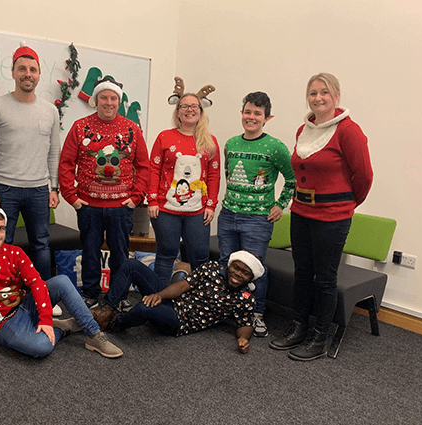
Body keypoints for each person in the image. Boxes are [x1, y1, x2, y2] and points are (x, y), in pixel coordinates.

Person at [269, 73, 373, 361]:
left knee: (325, 278)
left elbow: (363, 175)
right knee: (302, 273)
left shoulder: (348, 131)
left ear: (336, 96)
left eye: (324, 92)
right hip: (301, 212)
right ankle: (299, 328)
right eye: (312, 93)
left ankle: (320, 337)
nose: (318, 98)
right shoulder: (305, 129)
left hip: (332, 217)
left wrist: (346, 205)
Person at [0, 206, 123, 359]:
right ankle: (62, 328)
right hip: (1, 324)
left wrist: (45, 318)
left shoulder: (14, 253)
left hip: (24, 305)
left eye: (0, 228)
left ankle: (94, 335)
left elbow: (37, 284)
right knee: (41, 347)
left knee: (62, 281)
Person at [59, 76, 150, 307]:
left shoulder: (132, 129)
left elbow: (143, 166)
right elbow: (66, 163)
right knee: (90, 251)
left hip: (121, 207)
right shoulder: (80, 127)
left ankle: (118, 296)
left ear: (118, 102)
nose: (108, 102)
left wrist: (136, 197)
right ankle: (90, 294)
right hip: (89, 206)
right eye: (103, 98)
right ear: (96, 100)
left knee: (120, 253)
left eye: (113, 98)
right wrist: (72, 197)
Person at [217, 92, 296, 338]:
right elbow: (229, 175)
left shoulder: (275, 148)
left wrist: (281, 204)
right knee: (226, 263)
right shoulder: (230, 144)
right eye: (248, 112)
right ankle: (228, 308)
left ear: (267, 118)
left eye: (257, 114)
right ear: (242, 113)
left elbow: (292, 178)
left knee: (255, 268)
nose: (251, 117)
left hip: (257, 219)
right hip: (228, 214)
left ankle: (256, 314)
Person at [0, 45, 60, 281]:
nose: (28, 74)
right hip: (4, 188)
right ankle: (2, 295)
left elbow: (53, 151)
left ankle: (44, 296)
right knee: (2, 244)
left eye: (33, 69)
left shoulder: (50, 110)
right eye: (22, 68)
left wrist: (53, 187)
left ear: (38, 75)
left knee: (41, 245)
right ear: (13, 72)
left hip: (38, 190)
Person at [90, 251, 264, 354]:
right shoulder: (212, 268)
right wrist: (160, 295)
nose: (238, 274)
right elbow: (182, 285)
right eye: (236, 268)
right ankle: (107, 309)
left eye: (245, 273)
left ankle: (114, 324)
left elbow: (245, 323)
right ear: (231, 264)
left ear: (251, 277)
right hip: (174, 298)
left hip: (180, 320)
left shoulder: (245, 298)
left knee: (144, 307)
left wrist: (243, 338)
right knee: (130, 264)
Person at [147, 79, 220, 289]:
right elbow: (154, 169)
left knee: (199, 257)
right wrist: (151, 199)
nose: (189, 110)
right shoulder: (165, 137)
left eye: (194, 106)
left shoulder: (209, 141)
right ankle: (159, 299)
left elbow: (214, 176)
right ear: (178, 112)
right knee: (165, 254)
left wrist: (211, 205)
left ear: (201, 111)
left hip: (198, 211)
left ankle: (199, 302)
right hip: (165, 208)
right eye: (184, 106)